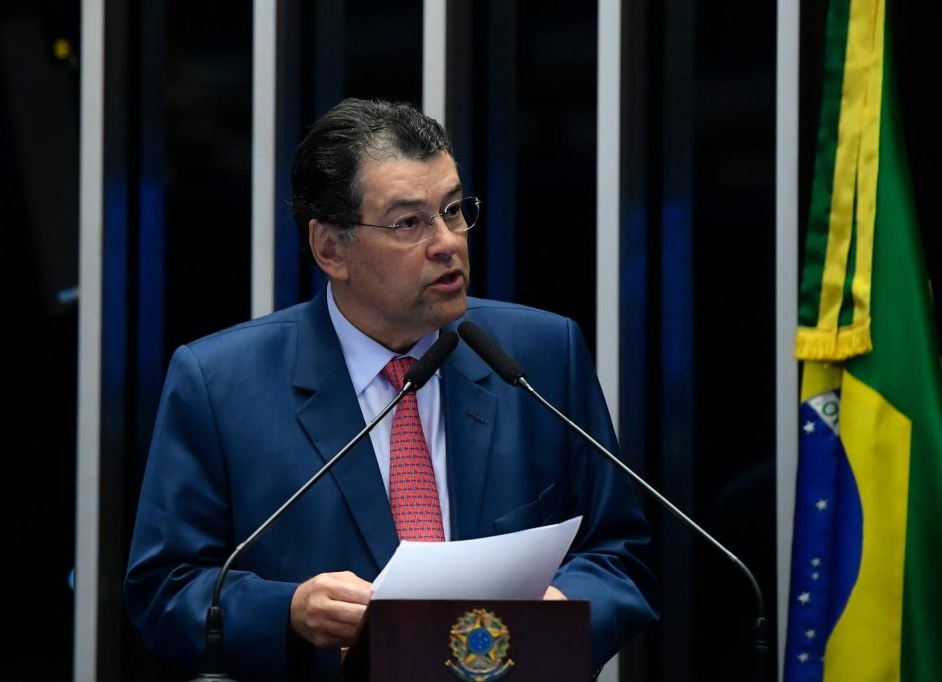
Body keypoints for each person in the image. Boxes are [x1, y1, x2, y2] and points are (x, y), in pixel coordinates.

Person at [125, 98, 658, 680]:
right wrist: (289, 612)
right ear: (331, 249)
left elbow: (618, 554)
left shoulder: (539, 356)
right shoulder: (219, 384)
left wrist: (560, 610)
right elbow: (165, 590)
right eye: (409, 223)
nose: (447, 242)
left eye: (453, 210)